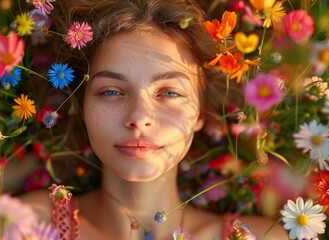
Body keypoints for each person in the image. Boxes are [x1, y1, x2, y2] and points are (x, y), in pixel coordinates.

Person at [21, 0, 288, 239]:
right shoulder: (29, 224)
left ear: (201, 114)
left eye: (169, 92)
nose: (139, 117)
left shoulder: (258, 237)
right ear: (82, 107)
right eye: (111, 91)